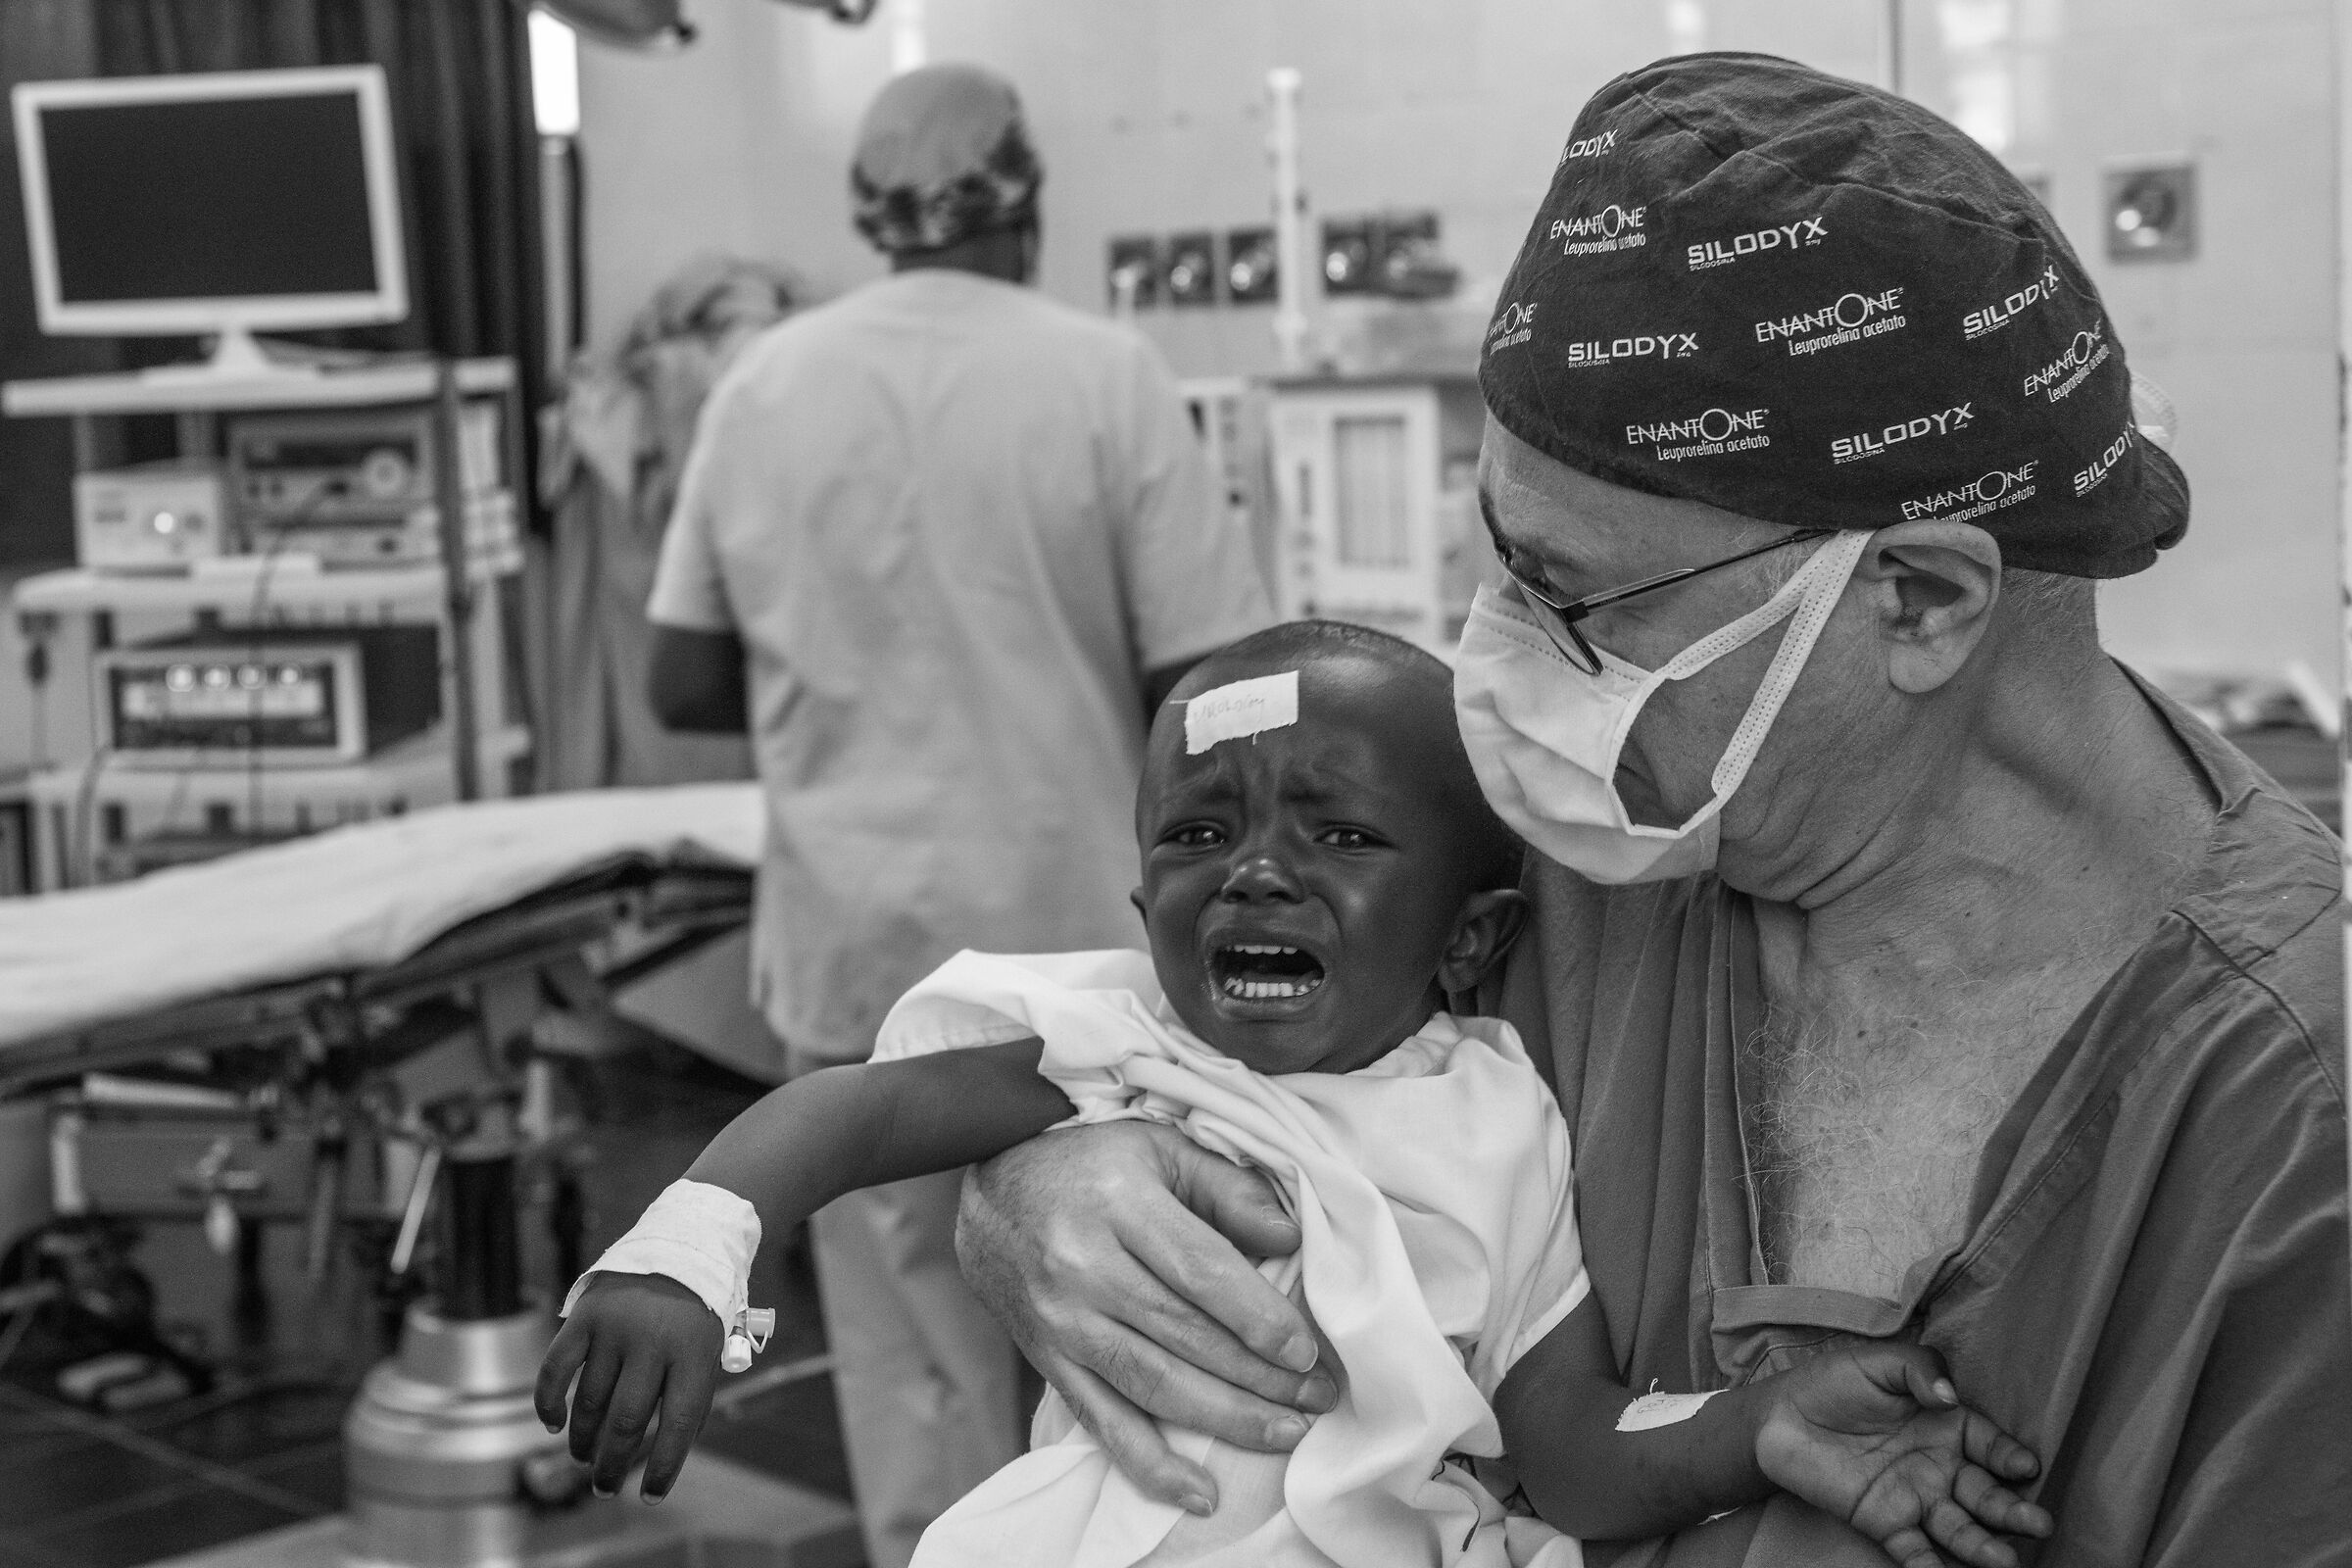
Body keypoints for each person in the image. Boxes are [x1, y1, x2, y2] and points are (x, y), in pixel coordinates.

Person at [953, 54, 2352, 1567]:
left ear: (1918, 596)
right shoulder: (1575, 848)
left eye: (1578, 604)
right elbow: (1202, 1060)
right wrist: (1044, 1186)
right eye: (1501, 566)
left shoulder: (2288, 1127)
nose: (1502, 669)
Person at [546, 623, 2051, 1568]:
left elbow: (1576, 1457)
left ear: (1471, 938)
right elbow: (852, 1116)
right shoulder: (1126, 1054)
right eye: (1200, 832)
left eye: (1337, 837)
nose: (1256, 868)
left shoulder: (1501, 1128)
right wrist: (684, 1252)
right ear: (1140, 912)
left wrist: (1768, 1429)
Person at [640, 62, 1271, 1568]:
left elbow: (677, 677)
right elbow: (1217, 690)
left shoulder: (763, 386)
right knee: (1121, 1308)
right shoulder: (1101, 375)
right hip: (1069, 964)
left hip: (855, 938)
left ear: (868, 218)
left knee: (911, 1332)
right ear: (1030, 203)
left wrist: (845, 678)